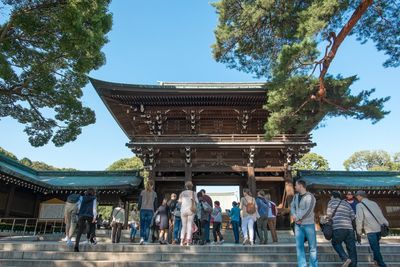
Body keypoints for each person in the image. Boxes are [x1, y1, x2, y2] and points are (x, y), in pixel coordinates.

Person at [355, 190, 389, 267]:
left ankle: (382, 264)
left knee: (375, 248)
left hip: (371, 230)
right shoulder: (374, 203)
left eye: (357, 196)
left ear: (360, 196)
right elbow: (380, 214)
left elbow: (359, 219)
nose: (356, 198)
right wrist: (386, 223)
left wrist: (358, 231)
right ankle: (375, 262)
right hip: (379, 228)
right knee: (376, 246)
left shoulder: (359, 205)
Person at [290, 179, 318, 267]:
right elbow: (292, 207)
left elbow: (309, 210)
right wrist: (294, 216)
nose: (295, 187)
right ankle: (302, 265)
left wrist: (298, 218)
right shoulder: (295, 196)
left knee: (312, 247)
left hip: (308, 224)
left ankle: (313, 265)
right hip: (298, 225)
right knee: (299, 247)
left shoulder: (310, 197)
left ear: (301, 186)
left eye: (296, 185)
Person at [327, 191, 357, 267]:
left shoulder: (331, 202)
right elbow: (353, 216)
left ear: (333, 196)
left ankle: (345, 258)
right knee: (352, 249)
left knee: (336, 243)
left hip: (338, 228)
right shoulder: (346, 203)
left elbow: (329, 215)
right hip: (349, 229)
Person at [178, 181, 198, 246]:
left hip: (183, 210)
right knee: (189, 226)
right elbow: (197, 201)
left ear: (186, 186)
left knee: (184, 226)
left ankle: (181, 241)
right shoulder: (194, 193)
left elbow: (179, 202)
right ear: (192, 186)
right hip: (191, 210)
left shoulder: (182, 193)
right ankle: (188, 241)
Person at [138, 180, 157, 245]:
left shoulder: (142, 192)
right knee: (147, 226)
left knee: (142, 225)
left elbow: (140, 201)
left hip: (142, 209)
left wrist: (138, 208)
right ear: (152, 185)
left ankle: (142, 238)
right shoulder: (154, 193)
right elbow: (155, 203)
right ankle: (145, 240)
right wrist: (155, 210)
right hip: (150, 210)